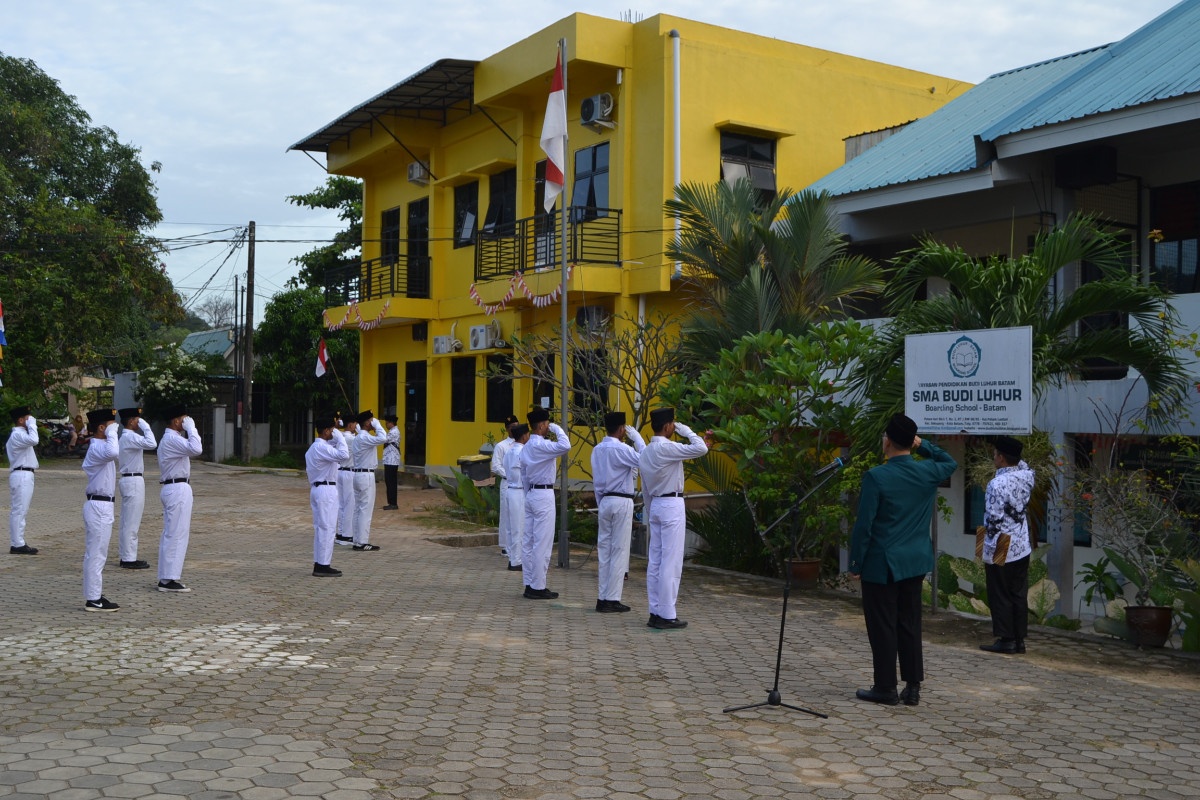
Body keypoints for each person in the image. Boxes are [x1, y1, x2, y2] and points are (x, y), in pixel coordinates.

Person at [848, 413, 957, 707]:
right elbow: (950, 462)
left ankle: (885, 687)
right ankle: (912, 687)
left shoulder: (877, 476)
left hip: (882, 565)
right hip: (915, 561)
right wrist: (924, 446)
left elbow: (864, 525)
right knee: (909, 623)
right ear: (911, 441)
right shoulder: (927, 472)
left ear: (888, 441)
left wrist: (855, 563)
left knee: (883, 625)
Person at [639, 407, 708, 629]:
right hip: (671, 504)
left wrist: (650, 511)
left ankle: (655, 611)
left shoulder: (647, 451)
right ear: (669, 426)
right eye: (673, 424)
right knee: (671, 561)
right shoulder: (667, 447)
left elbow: (646, 489)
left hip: (657, 504)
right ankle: (667, 614)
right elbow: (700, 449)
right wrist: (686, 430)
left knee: (656, 561)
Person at [980, 435, 1036, 655]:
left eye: (995, 454)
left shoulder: (996, 483)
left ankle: (1005, 639)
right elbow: (1023, 463)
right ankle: (1019, 639)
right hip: (1022, 541)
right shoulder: (1027, 476)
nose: (993, 457)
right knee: (1017, 592)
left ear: (1001, 458)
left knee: (999, 591)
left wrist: (987, 550)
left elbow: (993, 520)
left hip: (1001, 541)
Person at [592, 410, 646, 613]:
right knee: (619, 550)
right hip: (622, 500)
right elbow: (646, 459)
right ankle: (612, 599)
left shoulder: (597, 449)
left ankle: (602, 596)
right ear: (622, 429)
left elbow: (597, 481)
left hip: (604, 500)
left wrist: (601, 502)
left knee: (604, 550)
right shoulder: (621, 449)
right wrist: (638, 438)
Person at [519, 408, 570, 599]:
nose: (548, 427)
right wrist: (557, 428)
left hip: (531, 493)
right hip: (544, 495)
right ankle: (538, 587)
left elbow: (523, 474)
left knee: (529, 541)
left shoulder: (526, 448)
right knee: (542, 543)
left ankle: (529, 582)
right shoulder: (542, 445)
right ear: (541, 425)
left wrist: (528, 495)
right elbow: (565, 446)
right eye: (547, 423)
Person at [156, 405, 203, 592]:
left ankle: (167, 577)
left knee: (173, 533)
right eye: (184, 419)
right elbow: (197, 448)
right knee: (176, 534)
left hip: (176, 487)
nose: (186, 421)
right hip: (177, 488)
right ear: (176, 421)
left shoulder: (173, 439)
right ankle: (169, 579)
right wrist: (192, 429)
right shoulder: (171, 439)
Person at [81, 408, 121, 611]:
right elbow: (114, 452)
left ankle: (95, 594)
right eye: (111, 424)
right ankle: (93, 599)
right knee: (96, 554)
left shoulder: (101, 446)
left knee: (99, 553)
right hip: (98, 505)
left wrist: (111, 433)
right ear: (101, 427)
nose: (116, 428)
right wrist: (112, 432)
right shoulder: (97, 447)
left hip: (103, 504)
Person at [307, 413, 350, 577]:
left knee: (321, 528)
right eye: (331, 430)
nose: (333, 432)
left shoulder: (314, 448)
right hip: (326, 490)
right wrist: (340, 435)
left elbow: (335, 450)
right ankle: (323, 565)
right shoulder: (321, 448)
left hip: (318, 489)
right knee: (328, 528)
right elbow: (344, 455)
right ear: (326, 431)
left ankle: (320, 562)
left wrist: (336, 434)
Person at [116, 407, 157, 570]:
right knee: (131, 522)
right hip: (133, 480)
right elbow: (152, 443)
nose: (138, 422)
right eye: (137, 419)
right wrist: (146, 426)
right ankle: (128, 558)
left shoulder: (128, 437)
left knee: (129, 521)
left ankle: (127, 555)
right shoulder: (129, 437)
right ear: (131, 421)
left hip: (132, 479)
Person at [349, 409, 387, 551]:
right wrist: (377, 425)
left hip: (359, 475)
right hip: (366, 476)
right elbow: (383, 438)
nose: (373, 422)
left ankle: (357, 540)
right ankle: (362, 542)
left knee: (359, 509)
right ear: (366, 423)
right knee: (365, 509)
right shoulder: (364, 438)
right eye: (371, 420)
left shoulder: (360, 437)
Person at [7, 406, 40, 555]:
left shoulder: (20, 434)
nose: (30, 420)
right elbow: (34, 440)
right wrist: (32, 425)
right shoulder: (18, 435)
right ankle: (17, 543)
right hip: (22, 474)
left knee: (21, 510)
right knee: (19, 510)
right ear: (21, 420)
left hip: (24, 474)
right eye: (27, 418)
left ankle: (18, 541)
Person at [501, 423, 529, 573]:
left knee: (511, 527)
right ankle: (517, 560)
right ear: (524, 436)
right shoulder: (523, 452)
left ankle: (513, 557)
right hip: (519, 490)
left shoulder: (509, 451)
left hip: (509, 489)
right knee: (519, 527)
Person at [490, 415, 520, 559]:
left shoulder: (523, 444)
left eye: (517, 426)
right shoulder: (501, 446)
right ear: (507, 429)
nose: (515, 429)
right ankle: (505, 545)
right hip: (507, 482)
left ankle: (518, 545)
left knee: (519, 515)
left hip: (521, 484)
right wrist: (510, 474)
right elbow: (496, 466)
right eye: (512, 427)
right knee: (507, 514)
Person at [335, 413, 357, 547]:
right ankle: (347, 535)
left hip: (340, 471)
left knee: (342, 504)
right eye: (355, 423)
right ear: (350, 424)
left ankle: (340, 532)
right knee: (350, 505)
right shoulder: (351, 439)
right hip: (349, 473)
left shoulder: (339, 437)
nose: (356, 426)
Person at [381, 414, 401, 511]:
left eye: (387, 423)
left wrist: (378, 430)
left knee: (391, 482)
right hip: (390, 460)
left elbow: (384, 439)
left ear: (391, 423)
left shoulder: (394, 432)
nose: (386, 424)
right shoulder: (392, 431)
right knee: (389, 482)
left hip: (391, 461)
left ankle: (393, 503)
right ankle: (391, 502)